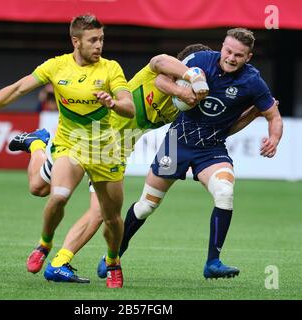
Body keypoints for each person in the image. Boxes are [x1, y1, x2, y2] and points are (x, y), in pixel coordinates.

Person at [0, 14, 136, 289]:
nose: (99, 45)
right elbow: (18, 88)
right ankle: (44, 245)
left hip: (105, 151)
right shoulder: (57, 67)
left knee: (112, 218)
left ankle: (113, 261)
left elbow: (130, 107)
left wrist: (113, 103)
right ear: (75, 41)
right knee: (58, 195)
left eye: (101, 39)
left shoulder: (110, 69)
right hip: (70, 144)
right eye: (93, 40)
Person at [97, 28, 283, 280]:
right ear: (222, 47)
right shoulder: (199, 61)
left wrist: (273, 138)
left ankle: (213, 262)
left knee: (225, 192)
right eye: (228, 51)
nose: (231, 58)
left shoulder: (252, 82)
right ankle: (115, 253)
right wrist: (182, 92)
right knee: (146, 206)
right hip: (177, 143)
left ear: (248, 57)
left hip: (212, 148)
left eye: (239, 55)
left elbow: (273, 115)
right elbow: (161, 80)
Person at [12, 44, 211, 280]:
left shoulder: (188, 103)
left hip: (115, 152)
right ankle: (37, 144)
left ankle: (59, 262)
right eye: (192, 67)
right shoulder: (157, 73)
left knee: (100, 212)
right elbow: (160, 63)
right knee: (38, 188)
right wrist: (187, 81)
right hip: (88, 138)